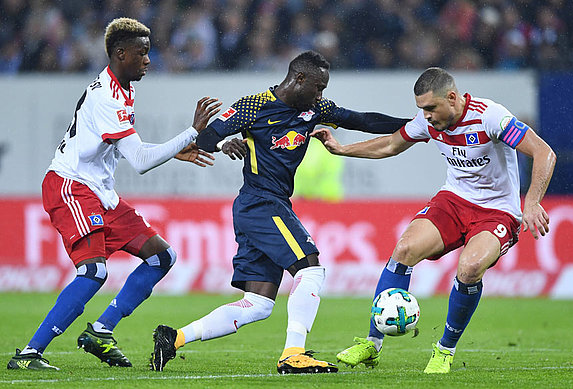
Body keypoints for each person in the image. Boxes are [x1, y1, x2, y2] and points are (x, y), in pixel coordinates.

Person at [150, 50, 410, 374]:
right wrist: (221, 145)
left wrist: (414, 128)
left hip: (265, 205)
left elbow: (362, 120)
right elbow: (207, 135)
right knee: (311, 269)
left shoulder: (316, 109)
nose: (321, 95)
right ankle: (293, 354)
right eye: (318, 87)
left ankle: (173, 339)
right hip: (261, 203)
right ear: (299, 79)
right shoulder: (254, 106)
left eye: (323, 89)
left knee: (258, 304)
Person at [7, 17, 242, 371]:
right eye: (142, 53)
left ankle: (101, 331)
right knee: (94, 272)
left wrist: (175, 149)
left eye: (148, 52)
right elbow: (142, 161)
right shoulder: (107, 97)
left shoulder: (123, 89)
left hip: (99, 191)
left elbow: (125, 146)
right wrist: (191, 131)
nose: (148, 60)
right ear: (120, 54)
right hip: (70, 185)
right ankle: (28, 355)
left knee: (162, 257)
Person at [313, 67, 556, 374]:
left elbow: (543, 152)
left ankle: (444, 350)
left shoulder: (490, 117)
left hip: (497, 211)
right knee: (404, 250)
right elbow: (390, 144)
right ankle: (371, 344)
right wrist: (341, 149)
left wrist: (532, 202)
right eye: (421, 110)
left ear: (452, 97)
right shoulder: (428, 122)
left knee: (469, 268)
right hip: (453, 201)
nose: (425, 116)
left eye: (430, 108)